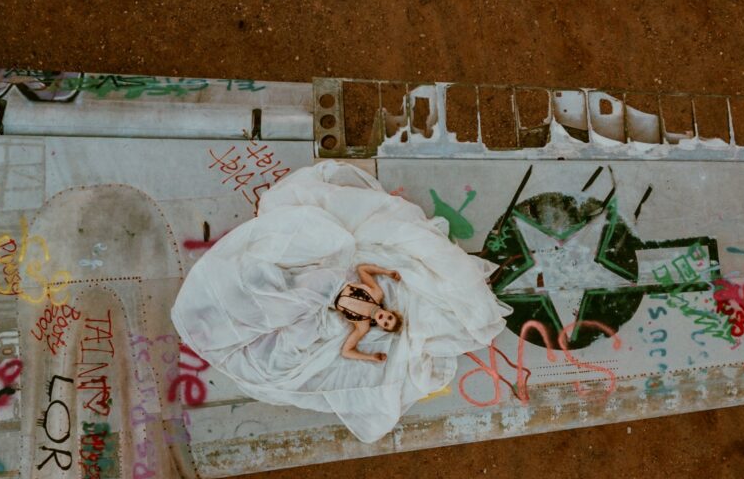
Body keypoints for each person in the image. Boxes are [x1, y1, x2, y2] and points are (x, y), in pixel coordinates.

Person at [172, 161, 507, 442]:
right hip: (326, 283)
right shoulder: (376, 294)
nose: (383, 320)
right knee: (283, 292)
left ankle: (221, 323)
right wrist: (387, 272)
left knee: (289, 333)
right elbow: (363, 269)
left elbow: (348, 350)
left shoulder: (360, 326)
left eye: (385, 324)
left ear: (380, 325)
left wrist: (371, 356)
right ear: (389, 312)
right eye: (389, 318)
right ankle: (233, 308)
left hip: (322, 305)